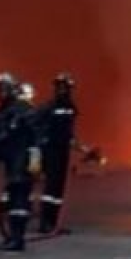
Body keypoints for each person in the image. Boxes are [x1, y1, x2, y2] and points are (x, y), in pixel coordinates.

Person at [0, 72, 40, 252]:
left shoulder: (21, 109)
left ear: (11, 89)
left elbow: (34, 137)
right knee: (14, 201)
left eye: (3, 89)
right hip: (13, 162)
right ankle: (14, 237)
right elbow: (4, 138)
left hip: (21, 163)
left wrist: (35, 161)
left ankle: (17, 240)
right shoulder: (8, 110)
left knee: (19, 201)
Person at [36, 72, 78, 234]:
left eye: (65, 87)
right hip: (52, 150)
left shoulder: (70, 107)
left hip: (63, 150)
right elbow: (37, 123)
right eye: (60, 87)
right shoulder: (49, 106)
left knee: (58, 188)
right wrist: (43, 141)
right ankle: (44, 222)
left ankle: (54, 222)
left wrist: (72, 141)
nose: (63, 90)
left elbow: (69, 130)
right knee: (51, 186)